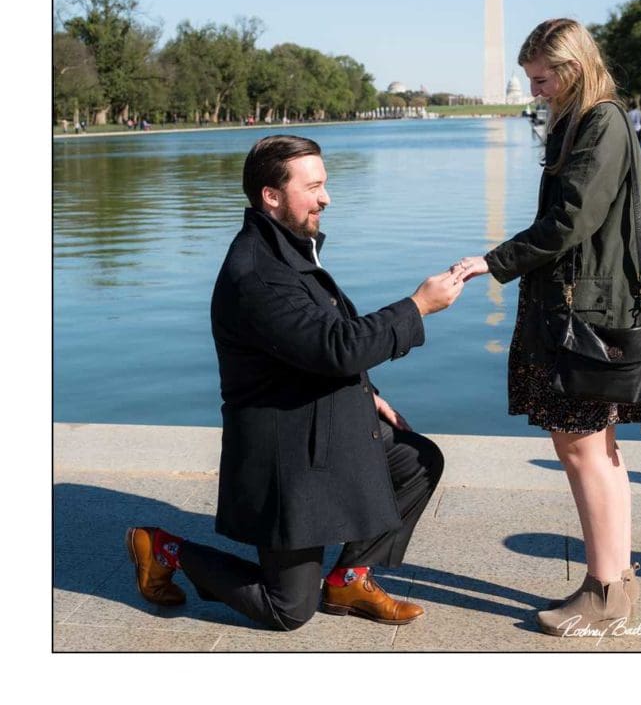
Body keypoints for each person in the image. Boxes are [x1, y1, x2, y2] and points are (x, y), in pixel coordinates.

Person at [126, 134, 464, 631]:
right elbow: (337, 347)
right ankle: (163, 548)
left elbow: (312, 343)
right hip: (286, 458)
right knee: (289, 611)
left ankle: (349, 577)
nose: (326, 197)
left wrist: (367, 393)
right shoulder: (257, 274)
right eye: (314, 187)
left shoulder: (286, 249)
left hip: (320, 424)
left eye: (324, 185)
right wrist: (417, 306)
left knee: (416, 460)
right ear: (272, 195)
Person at [454, 18, 641, 637]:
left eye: (542, 79)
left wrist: (492, 262)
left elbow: (571, 217)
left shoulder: (600, 120)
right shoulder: (588, 118)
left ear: (571, 67)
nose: (537, 91)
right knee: (595, 446)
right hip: (586, 304)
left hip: (587, 313)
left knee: (581, 448)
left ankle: (604, 591)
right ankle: (612, 582)